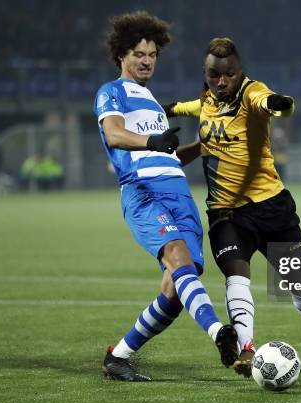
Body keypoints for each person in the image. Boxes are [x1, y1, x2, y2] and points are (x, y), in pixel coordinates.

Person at [164, 38, 301, 377]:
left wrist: (279, 103)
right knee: (236, 276)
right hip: (226, 214)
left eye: (229, 74)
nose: (222, 81)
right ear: (206, 75)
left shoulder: (251, 93)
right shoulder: (207, 101)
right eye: (215, 75)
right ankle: (245, 349)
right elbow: (186, 108)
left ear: (239, 72)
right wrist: (162, 110)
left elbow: (272, 104)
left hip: (272, 209)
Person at [93, 12, 237, 382]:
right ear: (121, 55)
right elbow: (114, 135)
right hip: (144, 192)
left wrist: (202, 147)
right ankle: (220, 333)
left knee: (175, 291)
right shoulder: (112, 93)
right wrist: (151, 141)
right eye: (139, 53)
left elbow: (168, 155)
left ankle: (119, 356)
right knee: (176, 255)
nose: (146, 61)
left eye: (153, 55)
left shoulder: (155, 105)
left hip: (180, 196)